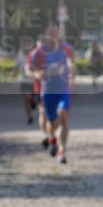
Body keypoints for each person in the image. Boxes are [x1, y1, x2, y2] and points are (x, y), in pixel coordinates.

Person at [28, 24, 75, 164]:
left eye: (56, 33)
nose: (53, 36)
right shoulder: (39, 52)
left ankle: (62, 151)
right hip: (47, 91)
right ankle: (51, 137)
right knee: (51, 121)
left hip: (63, 90)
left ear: (59, 34)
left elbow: (72, 63)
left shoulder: (66, 48)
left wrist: (71, 71)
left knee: (63, 116)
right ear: (46, 35)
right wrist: (37, 74)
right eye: (51, 33)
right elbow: (29, 68)